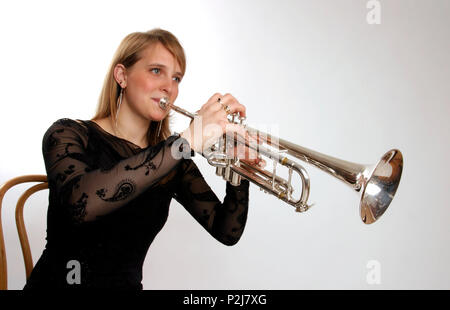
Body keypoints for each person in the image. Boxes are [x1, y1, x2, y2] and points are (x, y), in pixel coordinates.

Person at [23, 28, 261, 290]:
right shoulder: (68, 134)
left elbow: (226, 231)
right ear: (122, 76)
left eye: (177, 78)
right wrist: (185, 143)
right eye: (156, 71)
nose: (168, 87)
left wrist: (238, 172)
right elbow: (82, 205)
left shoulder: (174, 162)